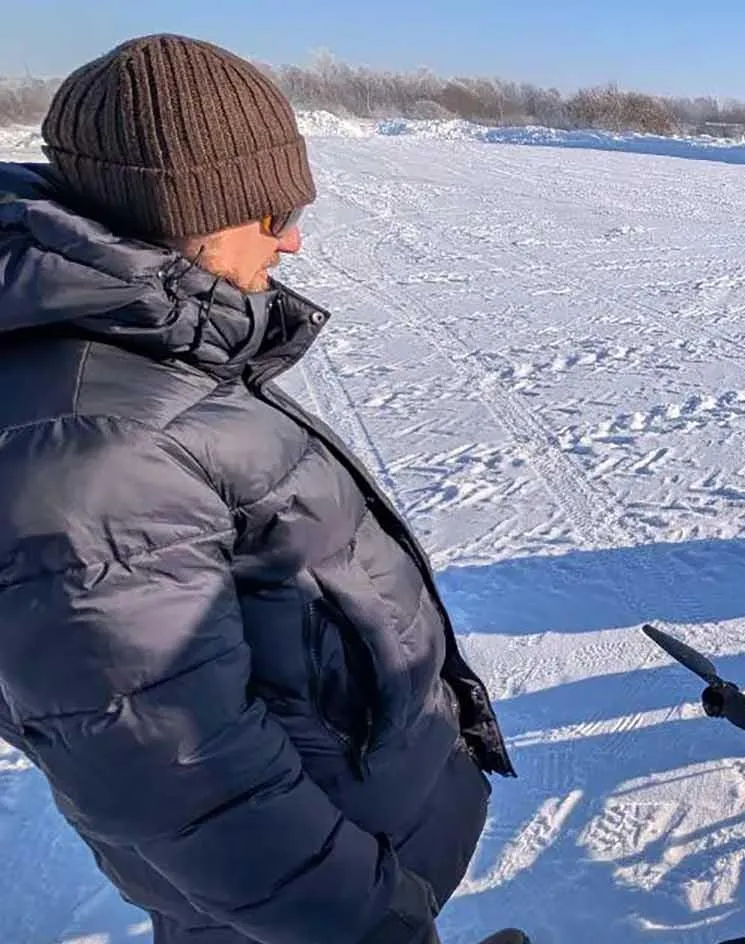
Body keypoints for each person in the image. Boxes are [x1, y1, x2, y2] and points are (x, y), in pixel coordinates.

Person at [0, 34, 527, 944]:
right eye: (270, 211)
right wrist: (374, 923)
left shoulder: (144, 351)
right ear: (180, 212)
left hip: (334, 855)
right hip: (302, 907)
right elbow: (181, 776)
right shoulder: (101, 451)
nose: (292, 238)